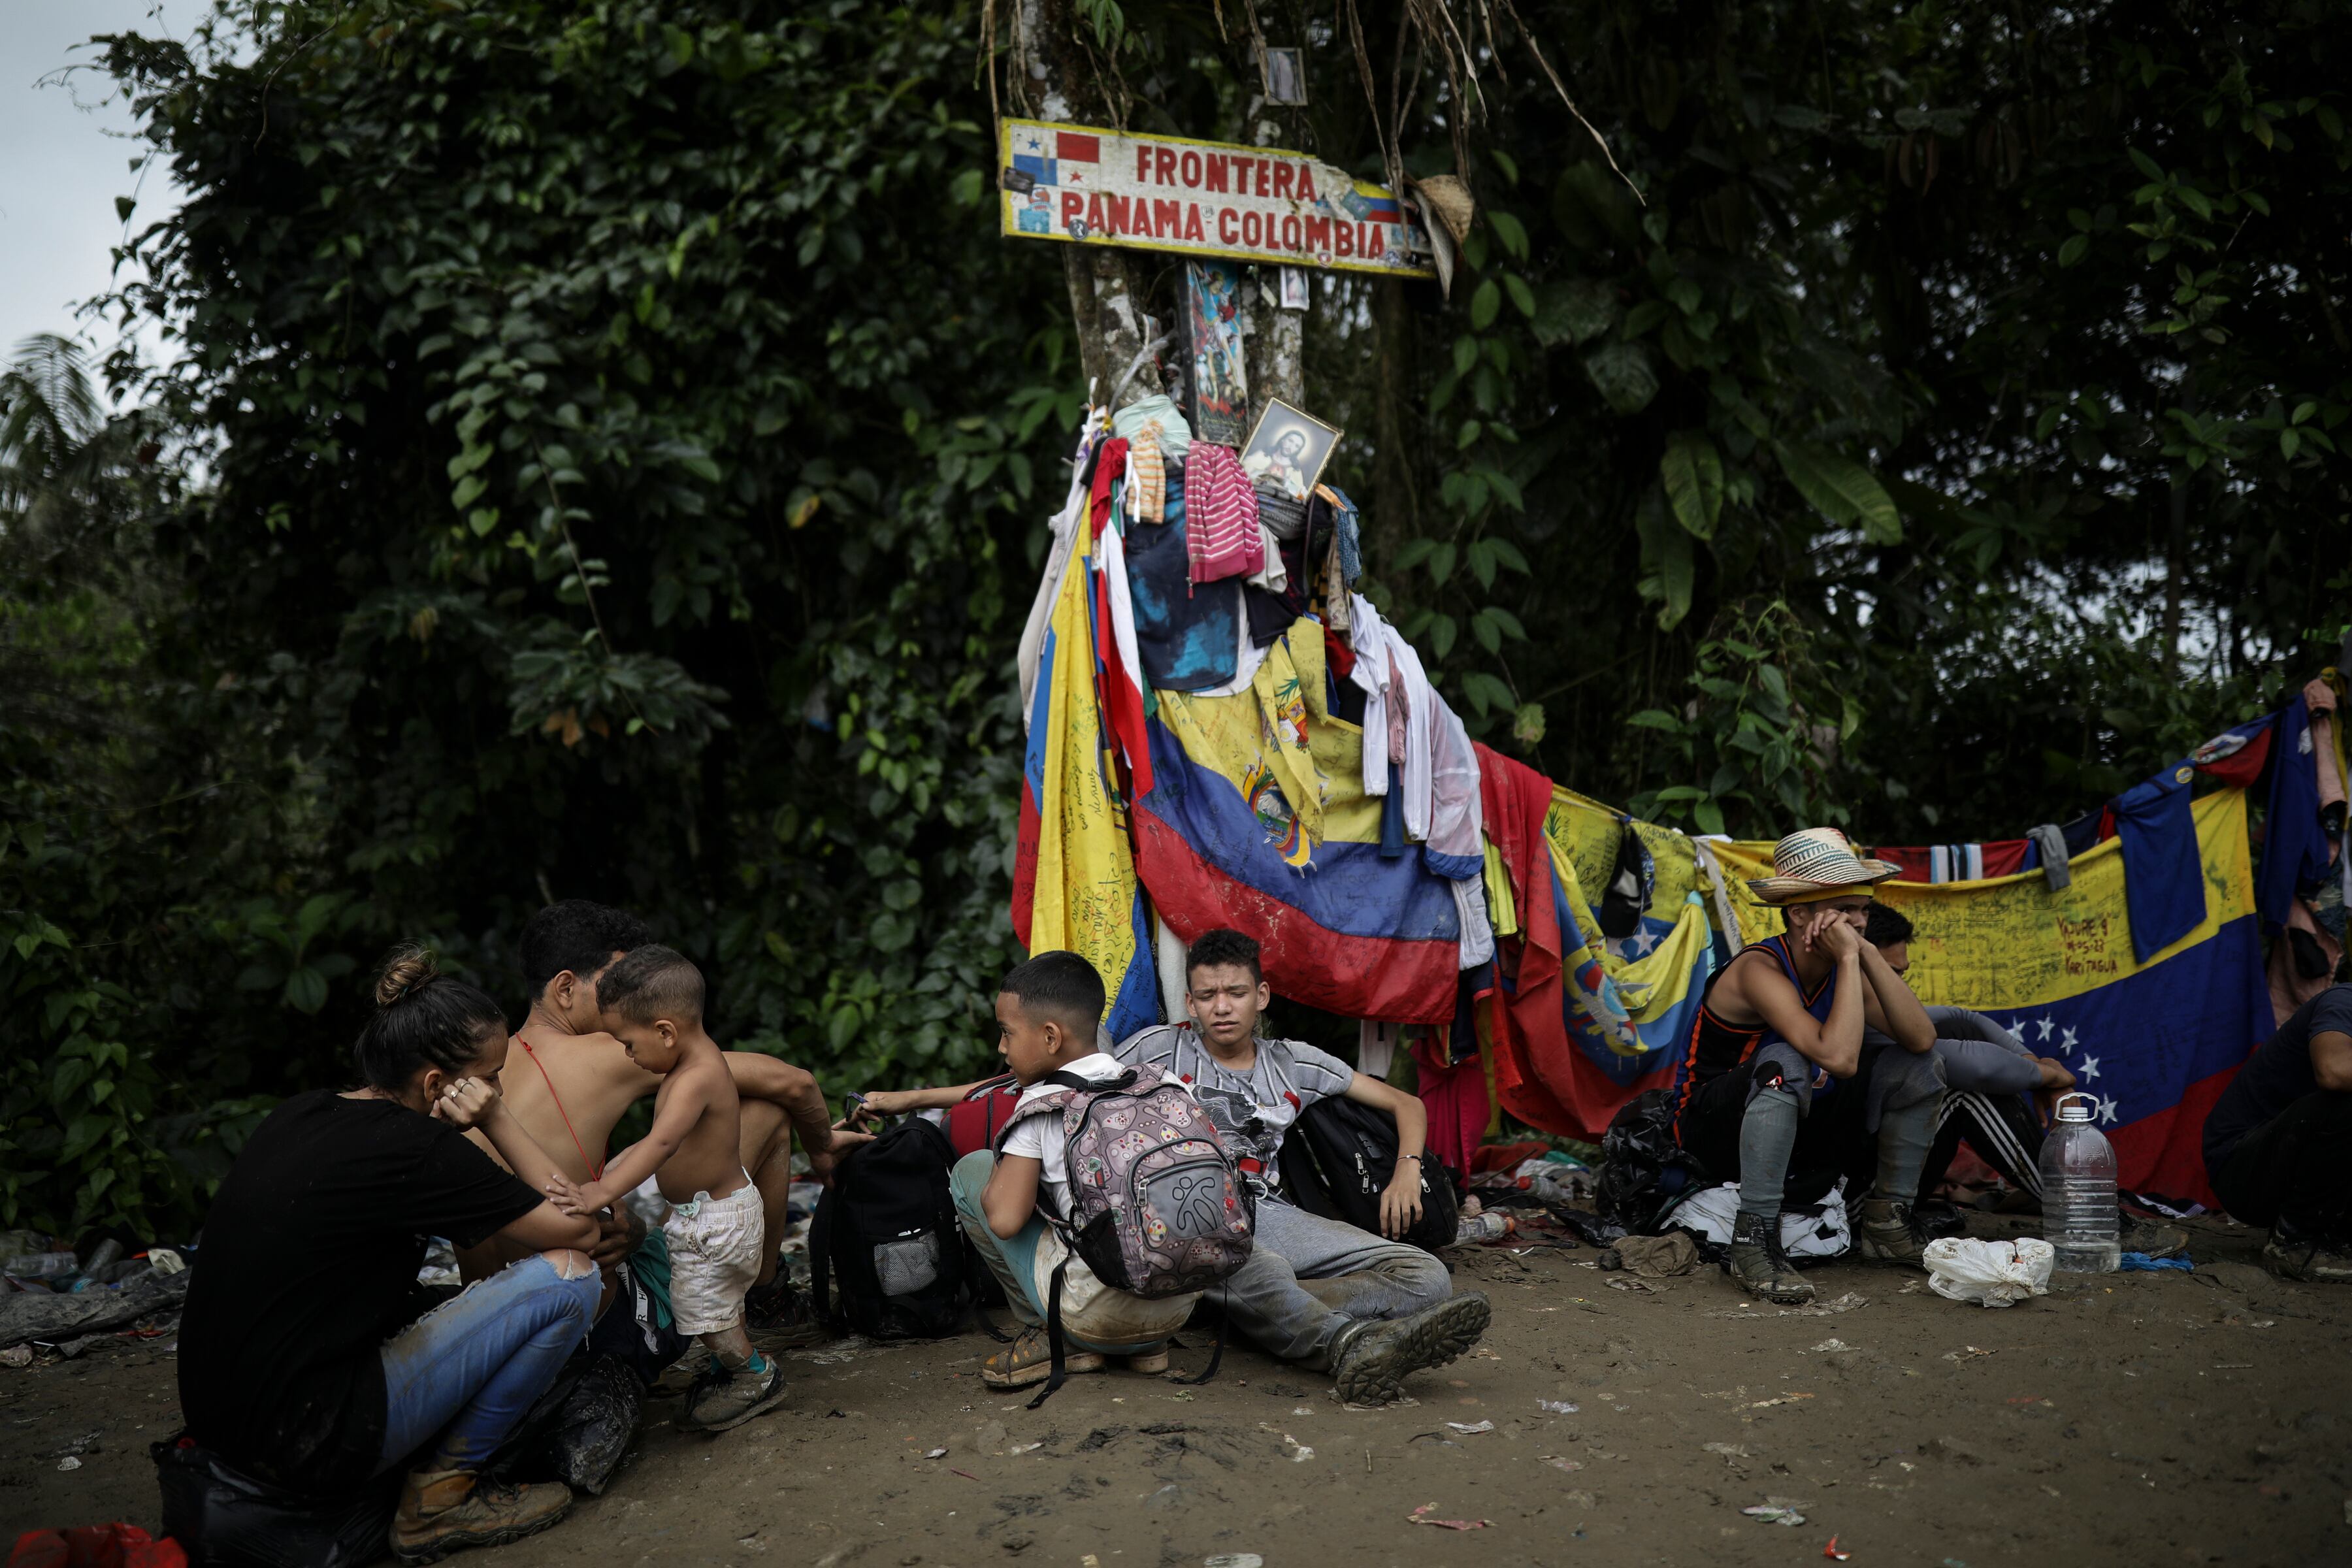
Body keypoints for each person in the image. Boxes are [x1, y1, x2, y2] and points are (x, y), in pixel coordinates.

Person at [178, 946, 602, 1564]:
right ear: (437, 1084)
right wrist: (500, 1118)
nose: (497, 1089)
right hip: (310, 1439)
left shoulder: (301, 1113)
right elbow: (581, 1233)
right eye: (492, 1076)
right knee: (571, 1281)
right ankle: (437, 1502)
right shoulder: (417, 1148)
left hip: (226, 1426)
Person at [1117, 928, 1491, 1404]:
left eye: (1236, 992)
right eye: (1208, 996)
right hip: (1191, 1214)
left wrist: (1406, 1170)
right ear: (1190, 1003)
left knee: (1427, 1276)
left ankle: (1263, 1306)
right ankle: (1351, 1345)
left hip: (1271, 1214)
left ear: (1261, 996)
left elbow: (1408, 1105)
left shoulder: (1292, 1064)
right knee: (1251, 1266)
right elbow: (1081, 1085)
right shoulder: (1158, 1049)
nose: (1223, 1007)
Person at [463, 900, 849, 1335]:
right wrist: (823, 1147)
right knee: (768, 1110)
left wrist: (631, 1225)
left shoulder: (481, 1074)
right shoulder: (605, 1053)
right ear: (566, 989)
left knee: (649, 1147)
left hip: (493, 1318)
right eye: (617, 983)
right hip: (585, 1307)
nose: (631, 998)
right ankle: (768, 1302)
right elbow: (795, 1083)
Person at [1669, 829, 1942, 1305]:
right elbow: (1838, 1058)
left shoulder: (1848, 961)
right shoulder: (1759, 969)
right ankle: (1754, 1243)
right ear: (1799, 914)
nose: (1859, 921)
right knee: (1787, 1059)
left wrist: (1867, 956)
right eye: (1845, 910)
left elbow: (1921, 1038)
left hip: (1797, 1127)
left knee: (1917, 1066)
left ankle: (1887, 1227)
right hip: (1712, 1131)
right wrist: (1852, 961)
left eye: (1864, 909)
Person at [545, 945, 784, 1431]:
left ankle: (755, 1375)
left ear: (665, 1032)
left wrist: (600, 1191)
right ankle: (725, 1369)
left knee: (705, 1313)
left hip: (716, 1223)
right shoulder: (692, 1063)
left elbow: (659, 1145)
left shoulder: (695, 1078)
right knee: (716, 1301)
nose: (627, 1055)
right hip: (709, 1214)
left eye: (628, 1044)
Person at [952, 951, 1205, 1390]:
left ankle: (1048, 1332)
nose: (1002, 1048)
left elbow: (1006, 1221)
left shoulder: (1041, 1108)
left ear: (1051, 1037)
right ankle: (1148, 1346)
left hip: (1092, 1317)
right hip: (1176, 1306)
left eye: (1007, 1033)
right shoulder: (1167, 1085)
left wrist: (1001, 1167)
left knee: (970, 1171)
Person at [2203, 972, 2352, 1282]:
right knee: (2344, 1104)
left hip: (2297, 1165)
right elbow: (2334, 1072)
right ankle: (2296, 1242)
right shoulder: (2344, 1001)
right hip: (2242, 1169)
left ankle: (2333, 1234)